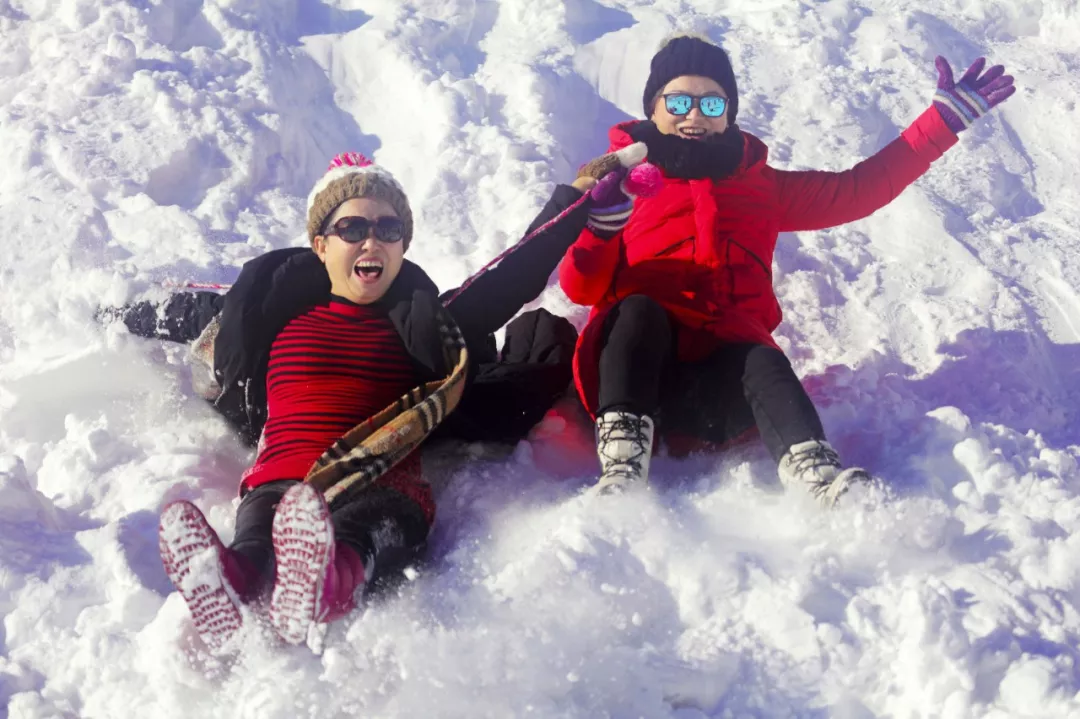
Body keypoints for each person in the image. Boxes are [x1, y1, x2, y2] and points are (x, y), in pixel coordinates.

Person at [114, 148, 648, 652]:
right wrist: (119, 313)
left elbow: (509, 277)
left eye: (388, 229)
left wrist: (576, 198)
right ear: (320, 245)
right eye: (352, 228)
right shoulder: (272, 318)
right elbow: (191, 313)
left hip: (380, 481)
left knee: (363, 527)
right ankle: (231, 578)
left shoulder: (418, 324)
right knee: (261, 528)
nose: (372, 241)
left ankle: (331, 579)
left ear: (402, 248)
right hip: (280, 477)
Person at [559, 34, 1016, 502]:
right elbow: (580, 288)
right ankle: (621, 467)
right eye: (678, 100)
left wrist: (940, 122)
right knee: (637, 310)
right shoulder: (621, 183)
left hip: (721, 402)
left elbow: (859, 190)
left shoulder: (762, 188)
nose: (694, 115)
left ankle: (816, 477)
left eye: (712, 104)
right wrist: (600, 229)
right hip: (631, 375)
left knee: (759, 354)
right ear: (652, 108)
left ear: (729, 114)